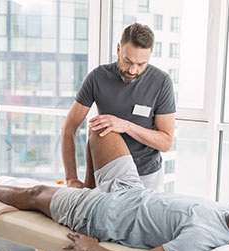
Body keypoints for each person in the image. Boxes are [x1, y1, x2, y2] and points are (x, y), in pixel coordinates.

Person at [0, 130, 229, 251]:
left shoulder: (203, 239)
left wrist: (92, 248)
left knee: (36, 192)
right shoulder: (227, 214)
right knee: (103, 129)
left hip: (97, 211)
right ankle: (90, 183)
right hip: (130, 188)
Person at [61, 23, 176, 192]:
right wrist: (71, 178)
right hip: (108, 172)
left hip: (147, 176)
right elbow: (69, 128)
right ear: (118, 49)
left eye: (141, 64)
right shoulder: (97, 77)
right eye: (127, 61)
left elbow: (166, 142)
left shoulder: (162, 82)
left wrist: (126, 126)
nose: (133, 70)